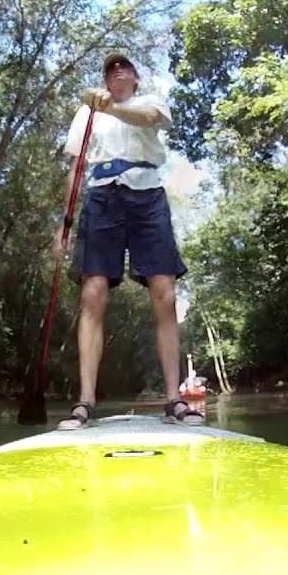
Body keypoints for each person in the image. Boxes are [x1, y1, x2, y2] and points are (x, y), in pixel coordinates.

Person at [53, 53, 202, 429]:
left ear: (135, 78)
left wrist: (107, 107)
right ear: (105, 80)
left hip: (148, 194)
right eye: (110, 69)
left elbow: (151, 120)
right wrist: (65, 224)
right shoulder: (86, 114)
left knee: (164, 293)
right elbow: (76, 165)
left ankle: (174, 399)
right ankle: (85, 402)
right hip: (102, 197)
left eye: (124, 68)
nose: (117, 71)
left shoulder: (148, 103)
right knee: (92, 293)